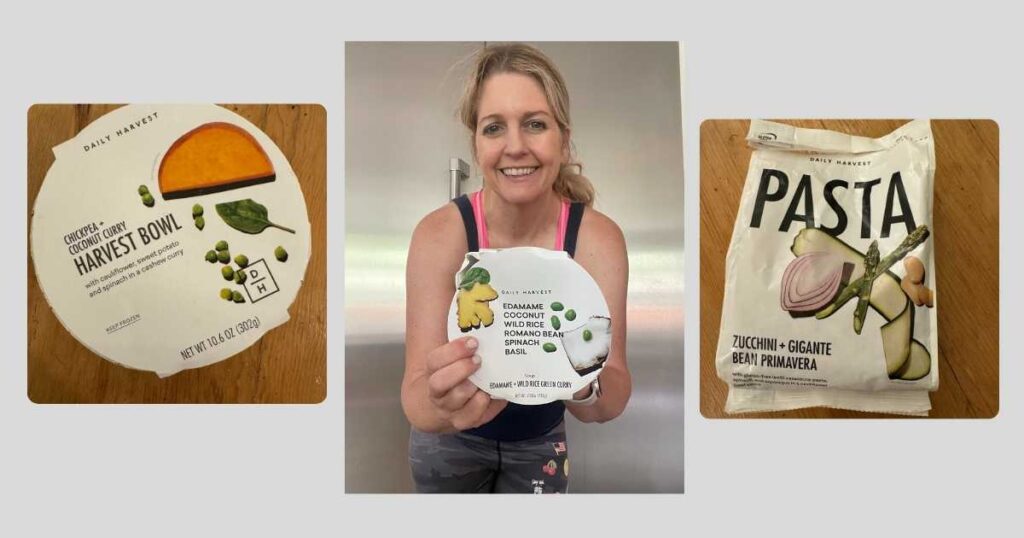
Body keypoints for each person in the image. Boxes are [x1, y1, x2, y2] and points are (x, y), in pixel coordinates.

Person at [401, 43, 630, 493]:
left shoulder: (597, 240)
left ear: (563, 139)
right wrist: (442, 403)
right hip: (449, 444)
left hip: (540, 442)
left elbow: (612, 394)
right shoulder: (438, 234)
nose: (515, 146)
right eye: (494, 128)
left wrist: (582, 381)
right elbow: (414, 397)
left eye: (535, 124)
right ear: (476, 144)